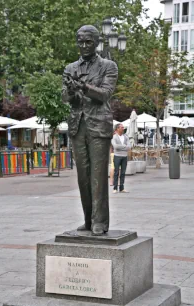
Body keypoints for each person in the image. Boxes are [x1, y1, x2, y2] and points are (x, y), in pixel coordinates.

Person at [62, 25, 118, 236]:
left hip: (98, 125)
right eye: (80, 42)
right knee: (83, 177)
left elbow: (105, 94)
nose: (84, 46)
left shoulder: (108, 66)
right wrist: (70, 90)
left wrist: (83, 87)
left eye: (88, 42)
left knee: (98, 175)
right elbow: (66, 99)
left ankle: (100, 221)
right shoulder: (70, 68)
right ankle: (88, 219)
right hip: (78, 126)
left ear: (96, 43)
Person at [112, 123, 131, 193]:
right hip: (117, 156)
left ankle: (122, 188)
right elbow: (115, 146)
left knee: (123, 172)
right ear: (118, 129)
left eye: (123, 127)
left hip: (124, 157)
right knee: (116, 172)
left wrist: (121, 147)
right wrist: (124, 147)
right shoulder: (114, 137)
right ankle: (115, 188)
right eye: (122, 127)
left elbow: (129, 146)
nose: (123, 128)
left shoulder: (126, 136)